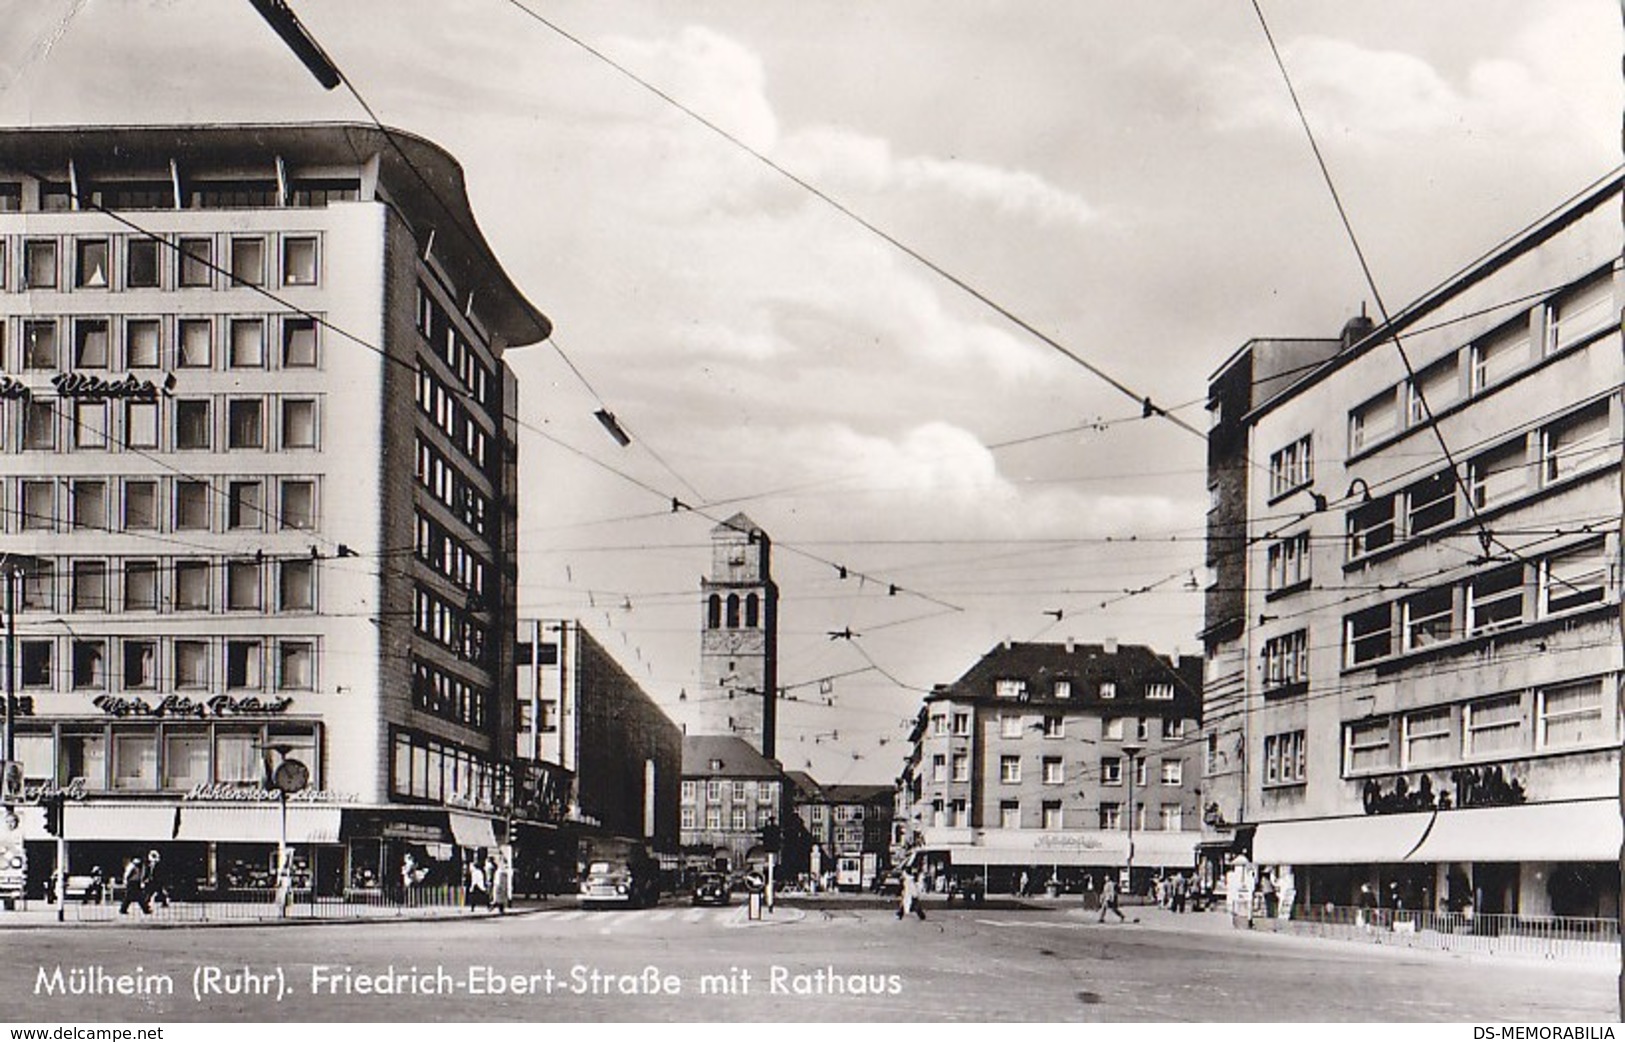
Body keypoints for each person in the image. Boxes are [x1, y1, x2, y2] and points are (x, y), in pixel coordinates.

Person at [490, 850, 513, 915]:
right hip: (499, 886)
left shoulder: (501, 871)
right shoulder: (500, 872)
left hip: (500, 886)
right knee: (499, 900)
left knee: (499, 900)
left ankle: (498, 909)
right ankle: (497, 908)